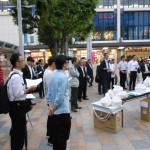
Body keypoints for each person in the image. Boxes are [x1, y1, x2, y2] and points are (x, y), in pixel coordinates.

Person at [7, 53, 37, 150]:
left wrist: (26, 88)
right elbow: (18, 94)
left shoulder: (15, 74)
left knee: (16, 133)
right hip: (17, 107)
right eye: (22, 60)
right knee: (19, 135)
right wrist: (29, 89)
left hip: (16, 107)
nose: (24, 62)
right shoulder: (16, 76)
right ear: (17, 63)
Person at [47, 55, 71, 150]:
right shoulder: (63, 77)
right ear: (64, 64)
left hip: (55, 112)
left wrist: (50, 107)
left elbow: (48, 93)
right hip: (62, 112)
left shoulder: (53, 75)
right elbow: (60, 97)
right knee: (62, 139)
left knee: (56, 138)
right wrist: (53, 108)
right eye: (67, 62)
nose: (68, 64)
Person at [43, 57, 55, 145]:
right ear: (53, 63)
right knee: (53, 118)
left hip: (49, 98)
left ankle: (49, 134)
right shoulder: (50, 73)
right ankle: (51, 139)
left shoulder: (48, 71)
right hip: (51, 99)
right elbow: (51, 88)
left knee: (51, 117)